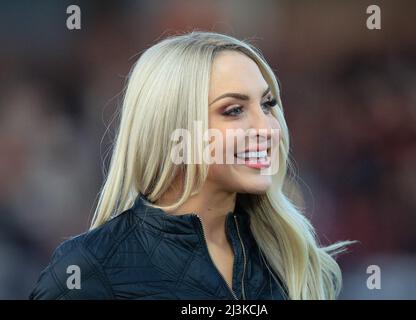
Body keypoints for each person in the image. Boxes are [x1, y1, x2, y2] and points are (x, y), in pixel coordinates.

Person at [30, 31, 350, 300]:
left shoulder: (294, 263)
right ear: (173, 129)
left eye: (267, 104)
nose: (267, 128)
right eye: (234, 110)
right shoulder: (88, 270)